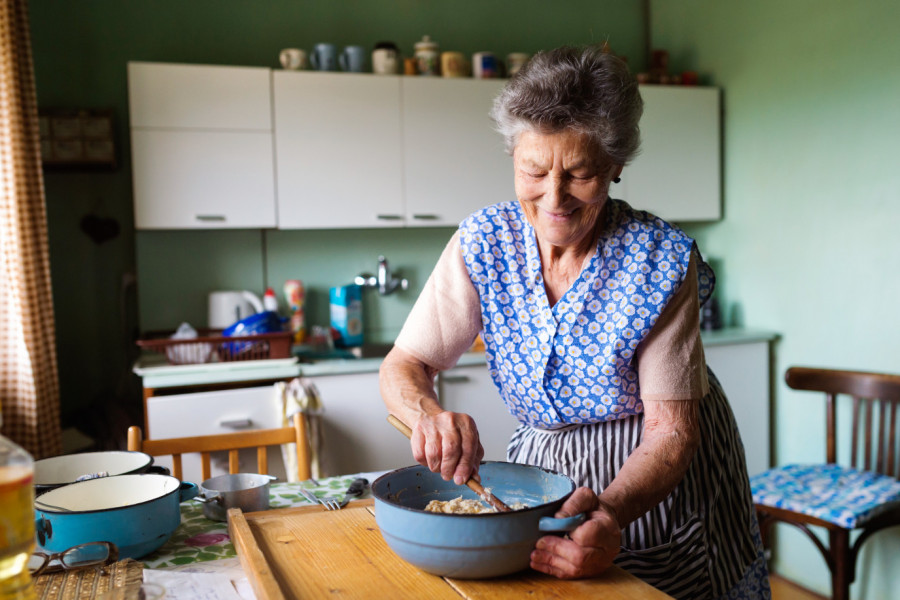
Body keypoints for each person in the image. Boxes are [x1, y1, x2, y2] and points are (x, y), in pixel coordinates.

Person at [379, 45, 770, 599]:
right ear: (513, 155)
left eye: (580, 174)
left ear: (615, 166)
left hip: (654, 482)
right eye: (534, 170)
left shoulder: (660, 260)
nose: (554, 198)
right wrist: (429, 414)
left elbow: (671, 433)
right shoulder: (482, 242)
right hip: (542, 475)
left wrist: (609, 510)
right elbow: (406, 364)